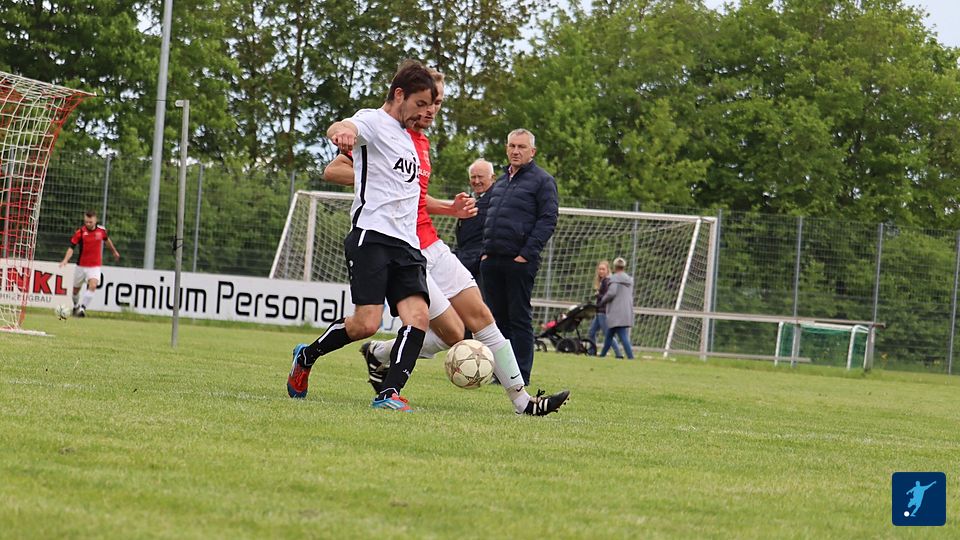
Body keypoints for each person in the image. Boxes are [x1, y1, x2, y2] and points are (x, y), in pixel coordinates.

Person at [325, 71, 569, 416]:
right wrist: (376, 174)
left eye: (437, 103)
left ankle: (522, 401)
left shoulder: (422, 143)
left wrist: (449, 209)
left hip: (431, 243)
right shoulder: (386, 130)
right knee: (443, 330)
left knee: (474, 320)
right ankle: (374, 360)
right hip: (405, 247)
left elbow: (414, 196)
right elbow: (333, 170)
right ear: (409, 98)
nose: (432, 110)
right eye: (426, 102)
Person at [286, 60, 438, 412]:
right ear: (399, 94)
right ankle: (306, 356)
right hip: (373, 237)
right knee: (366, 324)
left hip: (408, 243)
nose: (423, 112)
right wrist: (342, 133)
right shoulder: (373, 121)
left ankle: (389, 393)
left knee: (418, 317)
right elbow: (344, 125)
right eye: (419, 104)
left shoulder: (410, 138)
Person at [480, 129, 559, 386]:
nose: (516, 151)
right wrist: (485, 252)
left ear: (532, 151)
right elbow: (488, 217)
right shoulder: (501, 182)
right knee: (496, 321)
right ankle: (501, 373)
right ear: (506, 148)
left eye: (521, 147)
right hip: (492, 261)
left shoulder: (543, 181)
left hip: (519, 262)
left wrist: (526, 254)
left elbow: (548, 220)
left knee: (519, 319)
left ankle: (521, 375)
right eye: (512, 146)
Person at [58, 210, 120, 318]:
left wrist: (114, 252)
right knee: (75, 291)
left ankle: (82, 309)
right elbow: (71, 248)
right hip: (81, 266)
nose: (88, 224)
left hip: (95, 266)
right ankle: (76, 306)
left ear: (95, 220)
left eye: (90, 222)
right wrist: (65, 260)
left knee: (93, 285)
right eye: (86, 221)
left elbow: (107, 241)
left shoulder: (101, 231)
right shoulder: (80, 232)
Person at [455, 159, 496, 282]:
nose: (476, 181)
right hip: (465, 260)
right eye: (473, 177)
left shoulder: (498, 201)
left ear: (492, 178)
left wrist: (486, 255)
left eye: (480, 177)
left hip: (483, 265)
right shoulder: (467, 200)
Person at [598, 257, 635, 359]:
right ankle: (602, 355)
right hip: (626, 310)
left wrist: (602, 300)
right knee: (609, 335)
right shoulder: (629, 280)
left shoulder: (614, 279)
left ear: (615, 267)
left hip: (616, 311)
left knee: (623, 335)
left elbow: (611, 293)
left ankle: (631, 357)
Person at [587, 260, 621, 358]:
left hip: (604, 312)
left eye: (603, 269)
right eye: (599, 269)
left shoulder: (607, 281)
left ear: (607, 270)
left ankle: (619, 354)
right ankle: (592, 351)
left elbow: (608, 296)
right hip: (599, 311)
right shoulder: (603, 281)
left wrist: (598, 295)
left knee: (608, 334)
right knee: (591, 332)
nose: (601, 271)